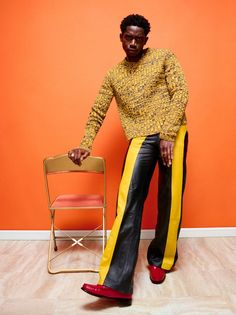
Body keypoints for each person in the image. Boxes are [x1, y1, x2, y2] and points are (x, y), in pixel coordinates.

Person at [68, 14, 188, 302]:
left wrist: (168, 134)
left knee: (170, 199)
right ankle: (117, 282)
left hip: (174, 133)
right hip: (140, 137)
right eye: (128, 37)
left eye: (138, 37)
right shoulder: (114, 74)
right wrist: (85, 143)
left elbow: (181, 92)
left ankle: (160, 260)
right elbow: (97, 111)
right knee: (129, 202)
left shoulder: (163, 58)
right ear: (120, 37)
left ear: (146, 39)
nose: (133, 42)